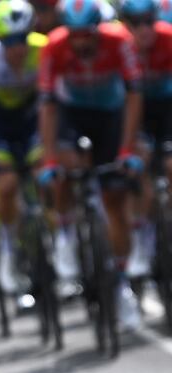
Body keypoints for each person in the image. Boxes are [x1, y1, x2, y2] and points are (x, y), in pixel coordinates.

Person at [38, 0, 144, 329]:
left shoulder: (120, 41)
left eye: (88, 35)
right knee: (64, 172)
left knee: (115, 200)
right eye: (75, 35)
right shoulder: (53, 46)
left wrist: (127, 149)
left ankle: (123, 284)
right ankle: (67, 235)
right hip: (72, 115)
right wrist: (50, 156)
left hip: (110, 116)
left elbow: (134, 95)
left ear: (99, 30)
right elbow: (47, 106)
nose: (81, 42)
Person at [0, 0, 45, 297]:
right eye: (9, 41)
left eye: (22, 39)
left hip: (33, 120)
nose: (17, 48)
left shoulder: (43, 49)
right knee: (6, 184)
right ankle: (8, 246)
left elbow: (53, 107)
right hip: (0, 124)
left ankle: (58, 237)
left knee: (47, 175)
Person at [117, 0, 172, 278]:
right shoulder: (120, 46)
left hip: (167, 109)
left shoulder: (169, 39)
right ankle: (140, 238)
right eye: (135, 23)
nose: (144, 29)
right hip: (133, 112)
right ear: (125, 24)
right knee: (139, 170)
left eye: (149, 21)